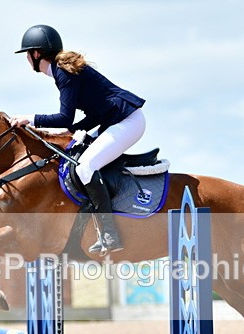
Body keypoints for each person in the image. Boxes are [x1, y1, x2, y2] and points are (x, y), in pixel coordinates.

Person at [10, 24, 146, 254]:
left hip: (128, 121)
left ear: (36, 53)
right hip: (115, 120)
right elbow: (87, 116)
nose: (26, 58)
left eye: (26, 53)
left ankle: (111, 235)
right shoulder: (61, 72)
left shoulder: (63, 73)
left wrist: (29, 119)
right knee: (75, 154)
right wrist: (70, 133)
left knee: (85, 166)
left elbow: (65, 117)